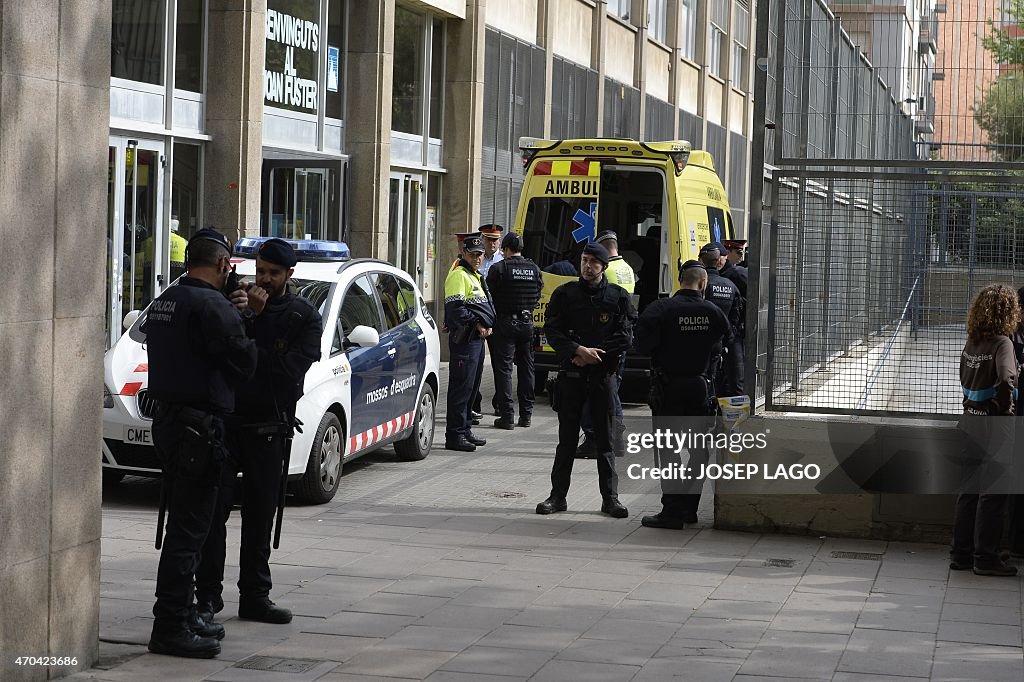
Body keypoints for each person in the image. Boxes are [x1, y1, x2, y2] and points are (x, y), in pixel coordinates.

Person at [194, 239, 323, 626]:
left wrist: (257, 322)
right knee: (214, 514)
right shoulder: (235, 305)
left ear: (289, 275)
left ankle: (255, 595)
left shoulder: (303, 316)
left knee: (259, 515)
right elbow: (223, 358)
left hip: (268, 427)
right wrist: (247, 317)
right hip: (227, 424)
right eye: (260, 270)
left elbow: (288, 373)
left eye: (273, 273)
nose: (263, 280)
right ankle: (208, 597)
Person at [144, 228, 258, 658]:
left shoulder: (165, 301)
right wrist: (248, 317)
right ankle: (170, 625)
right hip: (200, 427)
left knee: (183, 526)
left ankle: (184, 612)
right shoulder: (212, 305)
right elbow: (244, 363)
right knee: (189, 532)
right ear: (224, 266)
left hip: (170, 423)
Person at [535, 242, 636, 519]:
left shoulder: (618, 297)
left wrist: (594, 355)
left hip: (602, 376)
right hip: (571, 375)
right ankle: (558, 496)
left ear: (603, 266)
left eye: (593, 262)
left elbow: (625, 337)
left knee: (605, 441)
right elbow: (552, 331)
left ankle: (610, 498)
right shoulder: (565, 294)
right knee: (566, 439)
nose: (587, 266)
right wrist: (578, 351)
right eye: (584, 260)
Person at [636, 260, 732, 527]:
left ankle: (671, 512)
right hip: (701, 389)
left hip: (668, 389)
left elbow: (642, 346)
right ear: (703, 283)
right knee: (699, 451)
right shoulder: (713, 312)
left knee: (669, 451)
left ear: (680, 280)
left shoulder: (660, 309)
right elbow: (725, 346)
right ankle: (688, 509)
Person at [950, 284, 1019, 577]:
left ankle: (960, 554)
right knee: (993, 494)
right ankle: (986, 558)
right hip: (994, 425)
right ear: (1008, 312)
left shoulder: (972, 342)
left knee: (968, 491)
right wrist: (1006, 408)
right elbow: (1005, 379)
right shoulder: (1003, 342)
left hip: (969, 421)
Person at [578, 230, 636, 456]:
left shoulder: (608, 272)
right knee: (613, 393)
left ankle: (598, 436)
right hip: (619, 338)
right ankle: (617, 438)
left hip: (601, 340)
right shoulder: (628, 269)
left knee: (601, 394)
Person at [486, 232, 543, 429]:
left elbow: (489, 295)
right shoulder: (534, 269)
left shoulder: (498, 269)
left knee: (504, 370)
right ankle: (526, 415)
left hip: (505, 323)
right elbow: (537, 293)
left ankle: (507, 416)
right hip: (527, 323)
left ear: (505, 249)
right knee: (527, 369)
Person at [444, 235, 495, 451]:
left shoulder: (475, 275)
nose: (477, 258)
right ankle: (454, 435)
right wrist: (477, 324)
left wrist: (487, 322)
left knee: (472, 389)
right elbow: (455, 311)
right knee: (461, 389)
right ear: (464, 253)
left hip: (475, 341)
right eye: (473, 254)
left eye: (480, 255)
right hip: (465, 340)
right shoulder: (459, 275)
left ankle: (464, 429)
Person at [699, 243, 743, 396]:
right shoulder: (730, 285)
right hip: (724, 340)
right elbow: (736, 314)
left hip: (699, 339)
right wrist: (729, 336)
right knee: (729, 378)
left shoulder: (699, 284)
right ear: (719, 261)